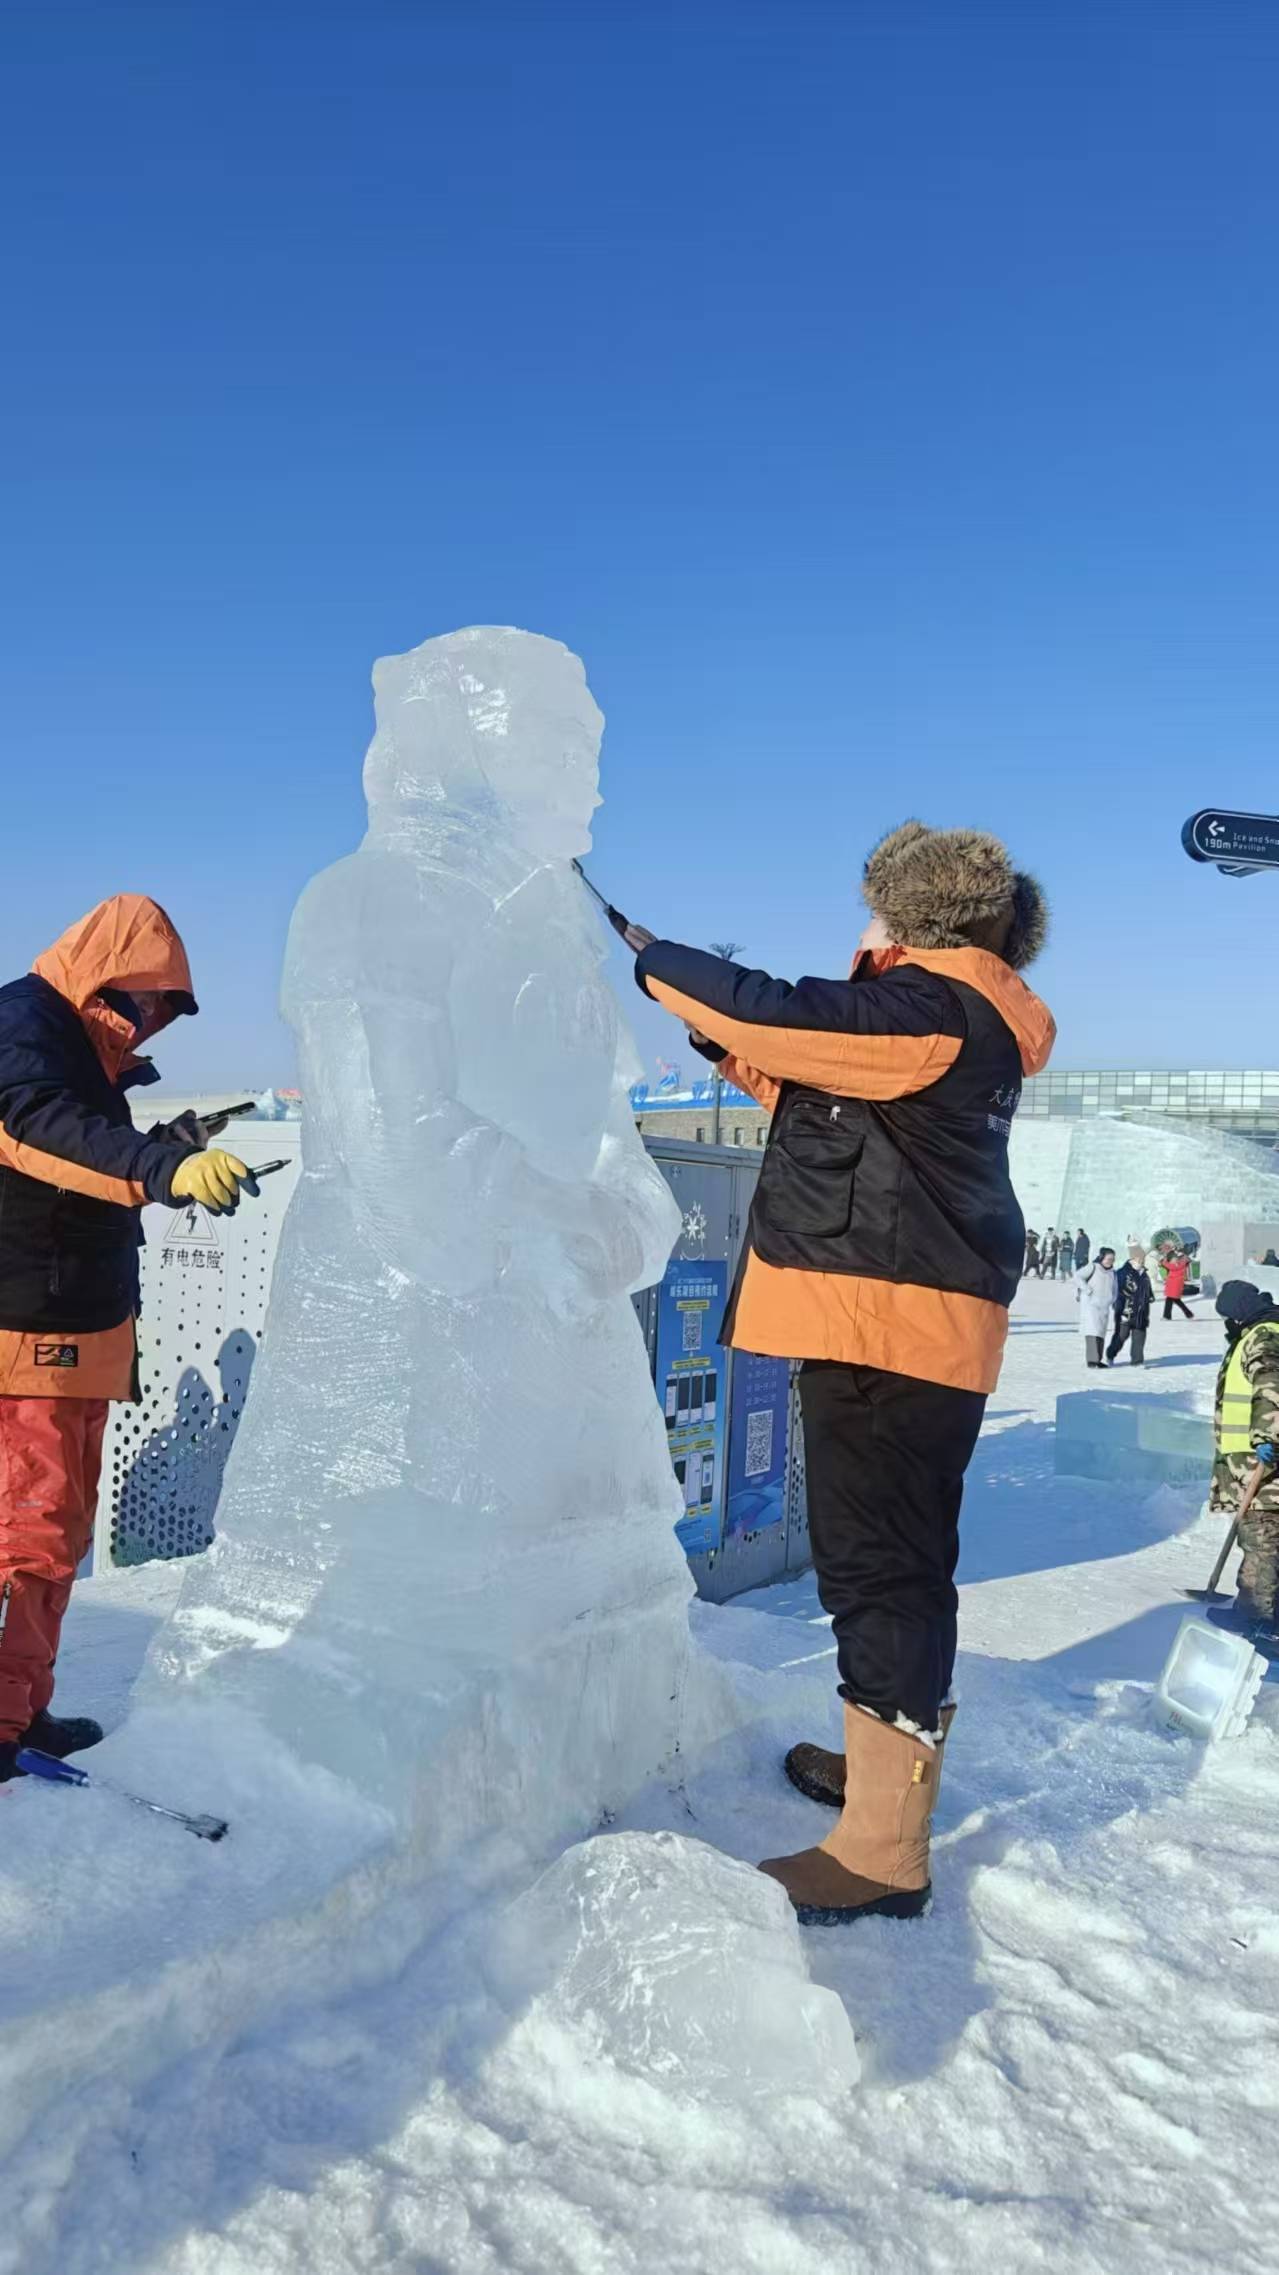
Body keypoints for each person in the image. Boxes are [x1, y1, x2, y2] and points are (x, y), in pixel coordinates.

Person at [624, 819, 1054, 1924]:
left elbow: (780, 1010)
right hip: (885, 1321)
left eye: (877, 908)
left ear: (916, 915)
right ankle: (878, 1777)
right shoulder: (941, 1019)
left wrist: (660, 960)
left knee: (882, 1573)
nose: (862, 926)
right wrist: (731, 1051)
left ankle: (882, 1851)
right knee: (880, 1565)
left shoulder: (931, 1003)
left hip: (890, 1328)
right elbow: (830, 1099)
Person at [0, 896, 252, 1784]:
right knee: (23, 1535)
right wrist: (161, 1168)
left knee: (57, 1532)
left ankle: (20, 1711)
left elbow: (86, 1154)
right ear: (106, 969)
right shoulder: (22, 1021)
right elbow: (31, 1129)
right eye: (144, 997)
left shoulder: (84, 1047)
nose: (150, 1019)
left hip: (78, 1326)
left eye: (162, 1007)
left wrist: (167, 1142)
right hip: (28, 1330)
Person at [1207, 1281, 1279, 1652]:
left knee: (1261, 1540)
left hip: (1262, 1463)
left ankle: (1260, 1622)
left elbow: (1270, 1384)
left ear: (1238, 1312)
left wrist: (1266, 1437)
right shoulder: (1264, 1329)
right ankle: (1253, 1608)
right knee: (1263, 1538)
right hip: (1253, 1460)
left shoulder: (1263, 1334)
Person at [1107, 1244, 1153, 1365]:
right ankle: (1110, 1355)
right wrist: (1119, 1309)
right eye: (1139, 1258)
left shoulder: (1144, 1274)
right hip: (1126, 1312)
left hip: (1141, 1312)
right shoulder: (1122, 1273)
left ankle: (1137, 1362)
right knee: (1121, 1337)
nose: (1141, 1261)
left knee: (1139, 1338)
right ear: (1132, 1259)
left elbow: (1147, 1291)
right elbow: (1117, 1293)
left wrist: (1149, 1297)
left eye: (1142, 1259)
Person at [1076, 1247, 1117, 1366]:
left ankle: (1098, 1359)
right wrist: (1087, 1289)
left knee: (1100, 1333)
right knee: (1092, 1332)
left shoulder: (1112, 1272)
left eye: (1112, 1259)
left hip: (1104, 1306)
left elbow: (1115, 1289)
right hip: (1091, 1305)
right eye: (1108, 1258)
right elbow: (1078, 1276)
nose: (1110, 1261)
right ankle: (1092, 1361)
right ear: (1102, 1257)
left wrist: (1112, 1299)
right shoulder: (1093, 1267)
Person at [1163, 1253, 1193, 1321]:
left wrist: (1164, 1261)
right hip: (1175, 1287)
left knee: (1170, 1300)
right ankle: (1188, 1314)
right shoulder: (1181, 1264)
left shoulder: (1177, 1266)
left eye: (1174, 1259)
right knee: (1177, 1300)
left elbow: (1169, 1266)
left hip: (1174, 1287)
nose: (1172, 1260)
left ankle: (1167, 1316)